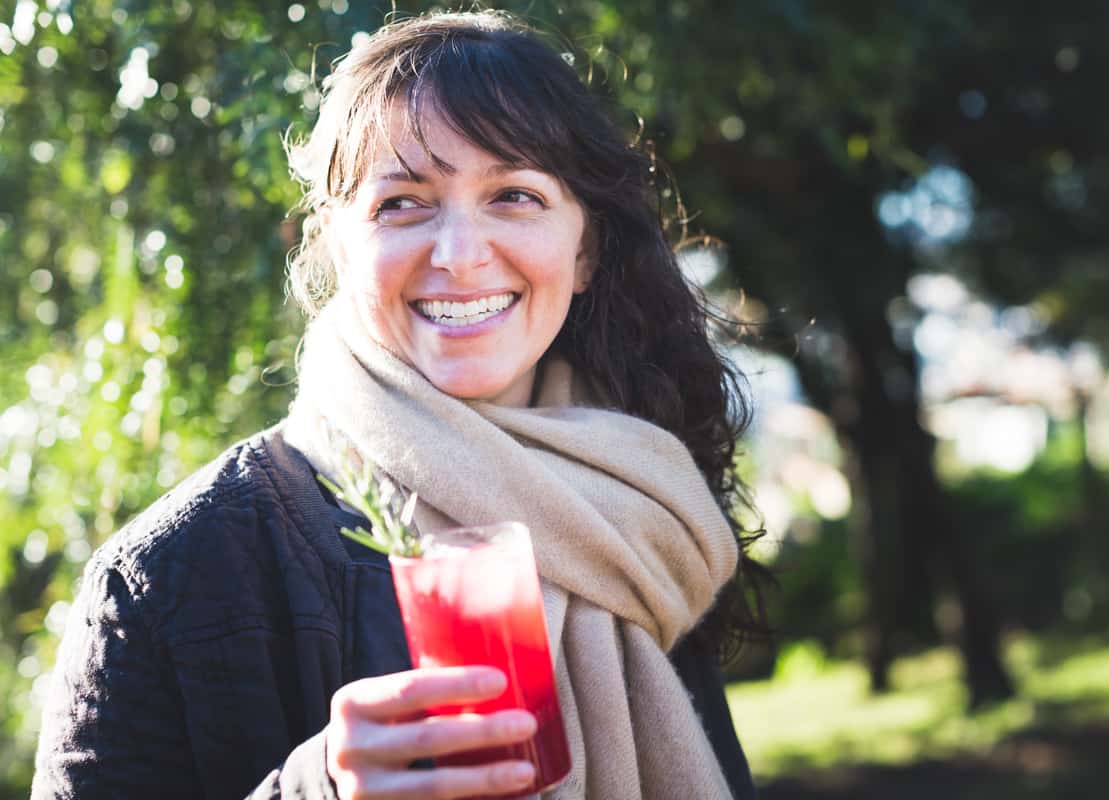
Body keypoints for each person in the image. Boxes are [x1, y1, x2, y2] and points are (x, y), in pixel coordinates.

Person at [33, 10, 764, 799]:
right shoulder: (167, 577)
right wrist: (316, 790)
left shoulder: (636, 516)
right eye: (402, 203)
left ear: (584, 251)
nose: (458, 254)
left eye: (514, 195)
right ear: (337, 245)